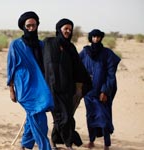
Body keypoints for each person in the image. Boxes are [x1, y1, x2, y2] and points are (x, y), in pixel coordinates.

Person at [7, 11, 54, 150]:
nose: (31, 29)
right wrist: (11, 90)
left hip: (40, 87)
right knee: (39, 118)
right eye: (28, 26)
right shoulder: (16, 45)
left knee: (33, 115)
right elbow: (10, 68)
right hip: (24, 87)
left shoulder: (41, 45)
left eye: (34, 25)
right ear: (23, 27)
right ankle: (45, 147)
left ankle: (25, 144)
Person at [43, 18, 92, 150]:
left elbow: (78, 67)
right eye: (66, 28)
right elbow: (40, 62)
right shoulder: (48, 43)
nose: (68, 31)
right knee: (63, 118)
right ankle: (69, 144)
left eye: (70, 29)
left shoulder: (70, 47)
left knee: (65, 117)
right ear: (59, 29)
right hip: (52, 88)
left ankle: (53, 143)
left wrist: (85, 81)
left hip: (67, 89)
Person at [79, 29, 121, 150]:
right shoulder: (85, 52)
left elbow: (111, 75)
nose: (96, 39)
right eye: (94, 37)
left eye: (98, 37)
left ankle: (106, 144)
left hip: (102, 93)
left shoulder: (107, 53)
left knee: (104, 118)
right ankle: (91, 141)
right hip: (88, 92)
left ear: (101, 38)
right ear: (90, 38)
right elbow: (75, 64)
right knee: (90, 117)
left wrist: (105, 91)